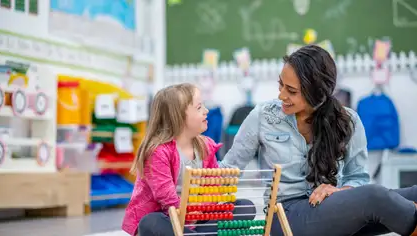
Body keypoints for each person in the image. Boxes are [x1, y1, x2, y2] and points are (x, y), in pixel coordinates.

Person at [219, 45, 417, 236]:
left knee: (413, 194)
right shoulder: (263, 116)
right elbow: (230, 168)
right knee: (376, 197)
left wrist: (339, 191)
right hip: (285, 216)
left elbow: (358, 178)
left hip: (331, 210)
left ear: (317, 93)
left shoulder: (348, 121)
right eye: (280, 84)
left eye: (291, 91)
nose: (281, 95)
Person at [122, 83, 256, 236]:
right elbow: (167, 200)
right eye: (199, 108)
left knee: (245, 207)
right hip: (168, 219)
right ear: (178, 117)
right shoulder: (157, 152)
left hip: (197, 220)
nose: (206, 111)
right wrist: (191, 212)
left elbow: (213, 189)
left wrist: (198, 208)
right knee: (149, 222)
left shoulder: (206, 146)